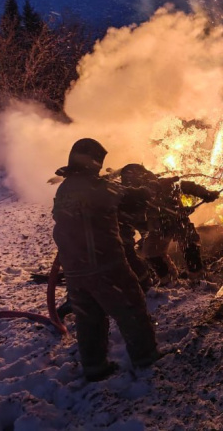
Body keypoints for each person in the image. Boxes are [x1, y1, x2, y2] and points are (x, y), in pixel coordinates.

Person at [52, 138, 161, 382]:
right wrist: (151, 186)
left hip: (75, 270)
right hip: (105, 265)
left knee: (89, 319)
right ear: (93, 161)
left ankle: (94, 367)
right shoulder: (97, 188)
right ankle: (146, 358)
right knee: (131, 308)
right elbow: (134, 197)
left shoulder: (65, 188)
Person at [119, 164, 219, 279]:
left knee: (189, 245)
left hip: (177, 222)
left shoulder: (163, 184)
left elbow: (185, 186)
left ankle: (197, 278)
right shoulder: (134, 197)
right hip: (157, 229)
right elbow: (134, 219)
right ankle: (170, 279)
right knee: (151, 253)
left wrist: (205, 194)